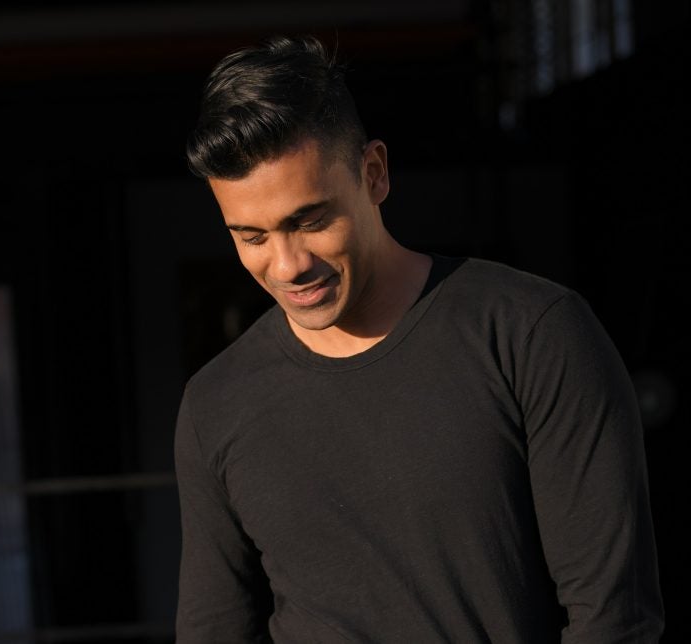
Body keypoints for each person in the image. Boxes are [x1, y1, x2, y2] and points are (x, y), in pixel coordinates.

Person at [173, 34, 665, 643]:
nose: (287, 264)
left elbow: (613, 618)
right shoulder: (215, 403)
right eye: (252, 237)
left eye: (311, 220)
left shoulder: (533, 333)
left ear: (374, 174)